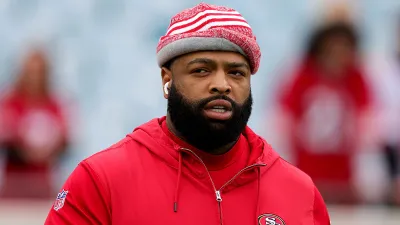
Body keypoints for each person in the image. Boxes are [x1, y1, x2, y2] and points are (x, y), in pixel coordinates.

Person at [45, 3, 330, 224]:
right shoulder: (101, 181)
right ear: (166, 79)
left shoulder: (299, 193)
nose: (222, 84)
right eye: (201, 70)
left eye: (236, 72)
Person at [272, 21, 373, 204]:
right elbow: (284, 123)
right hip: (306, 172)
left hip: (344, 178)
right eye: (332, 50)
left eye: (345, 50)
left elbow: (366, 127)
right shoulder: (301, 77)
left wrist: (364, 175)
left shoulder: (356, 79)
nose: (339, 57)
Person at [0, 48, 70, 199]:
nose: (34, 77)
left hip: (44, 186)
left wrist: (49, 151)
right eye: (30, 72)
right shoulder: (10, 103)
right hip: (14, 186)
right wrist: (26, 152)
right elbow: (5, 142)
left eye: (38, 72)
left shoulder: (55, 105)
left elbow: (66, 143)